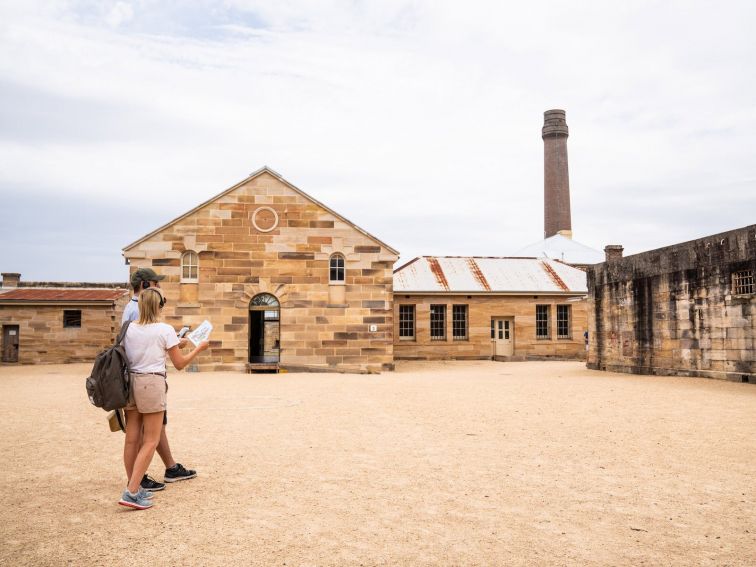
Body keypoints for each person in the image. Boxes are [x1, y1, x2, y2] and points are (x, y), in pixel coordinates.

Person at [119, 286, 209, 509]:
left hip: (130, 384)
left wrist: (174, 344)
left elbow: (137, 350)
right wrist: (198, 349)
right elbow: (179, 364)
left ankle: (135, 486)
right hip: (151, 384)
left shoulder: (127, 328)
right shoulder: (165, 329)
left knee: (131, 439)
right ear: (159, 306)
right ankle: (131, 493)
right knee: (151, 439)